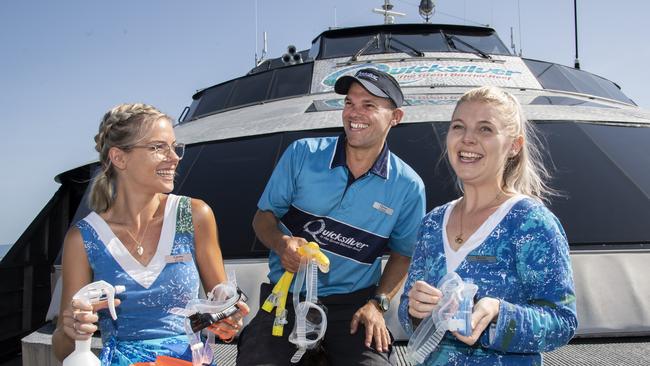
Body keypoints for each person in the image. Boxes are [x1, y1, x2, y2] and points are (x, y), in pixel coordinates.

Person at [237, 68, 426, 365]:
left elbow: (403, 255)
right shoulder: (302, 154)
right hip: (286, 298)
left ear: (396, 117)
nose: (354, 113)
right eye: (349, 103)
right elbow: (263, 217)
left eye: (369, 105)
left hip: (354, 306)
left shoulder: (408, 186)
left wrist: (378, 304)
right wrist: (281, 242)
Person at [52, 103, 249, 365]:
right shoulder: (83, 238)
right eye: (158, 147)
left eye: (174, 146)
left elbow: (223, 307)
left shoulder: (195, 215)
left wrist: (229, 320)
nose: (175, 157)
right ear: (119, 158)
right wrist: (72, 329)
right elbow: (62, 349)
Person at [399, 86, 578, 365]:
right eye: (459, 127)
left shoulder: (530, 222)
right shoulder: (432, 222)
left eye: (485, 129)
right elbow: (407, 315)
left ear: (514, 146)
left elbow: (562, 321)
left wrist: (498, 314)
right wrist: (415, 309)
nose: (468, 138)